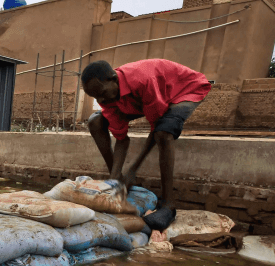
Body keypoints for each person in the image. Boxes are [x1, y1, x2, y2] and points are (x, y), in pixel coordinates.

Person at [81, 59, 211, 230]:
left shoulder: (142, 80)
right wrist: (114, 181)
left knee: (163, 133)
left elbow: (156, 126)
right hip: (139, 99)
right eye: (96, 97)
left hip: (184, 89)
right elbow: (121, 139)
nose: (101, 100)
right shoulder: (108, 98)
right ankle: (118, 181)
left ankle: (168, 205)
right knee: (96, 121)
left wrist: (133, 169)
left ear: (113, 79)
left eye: (102, 93)